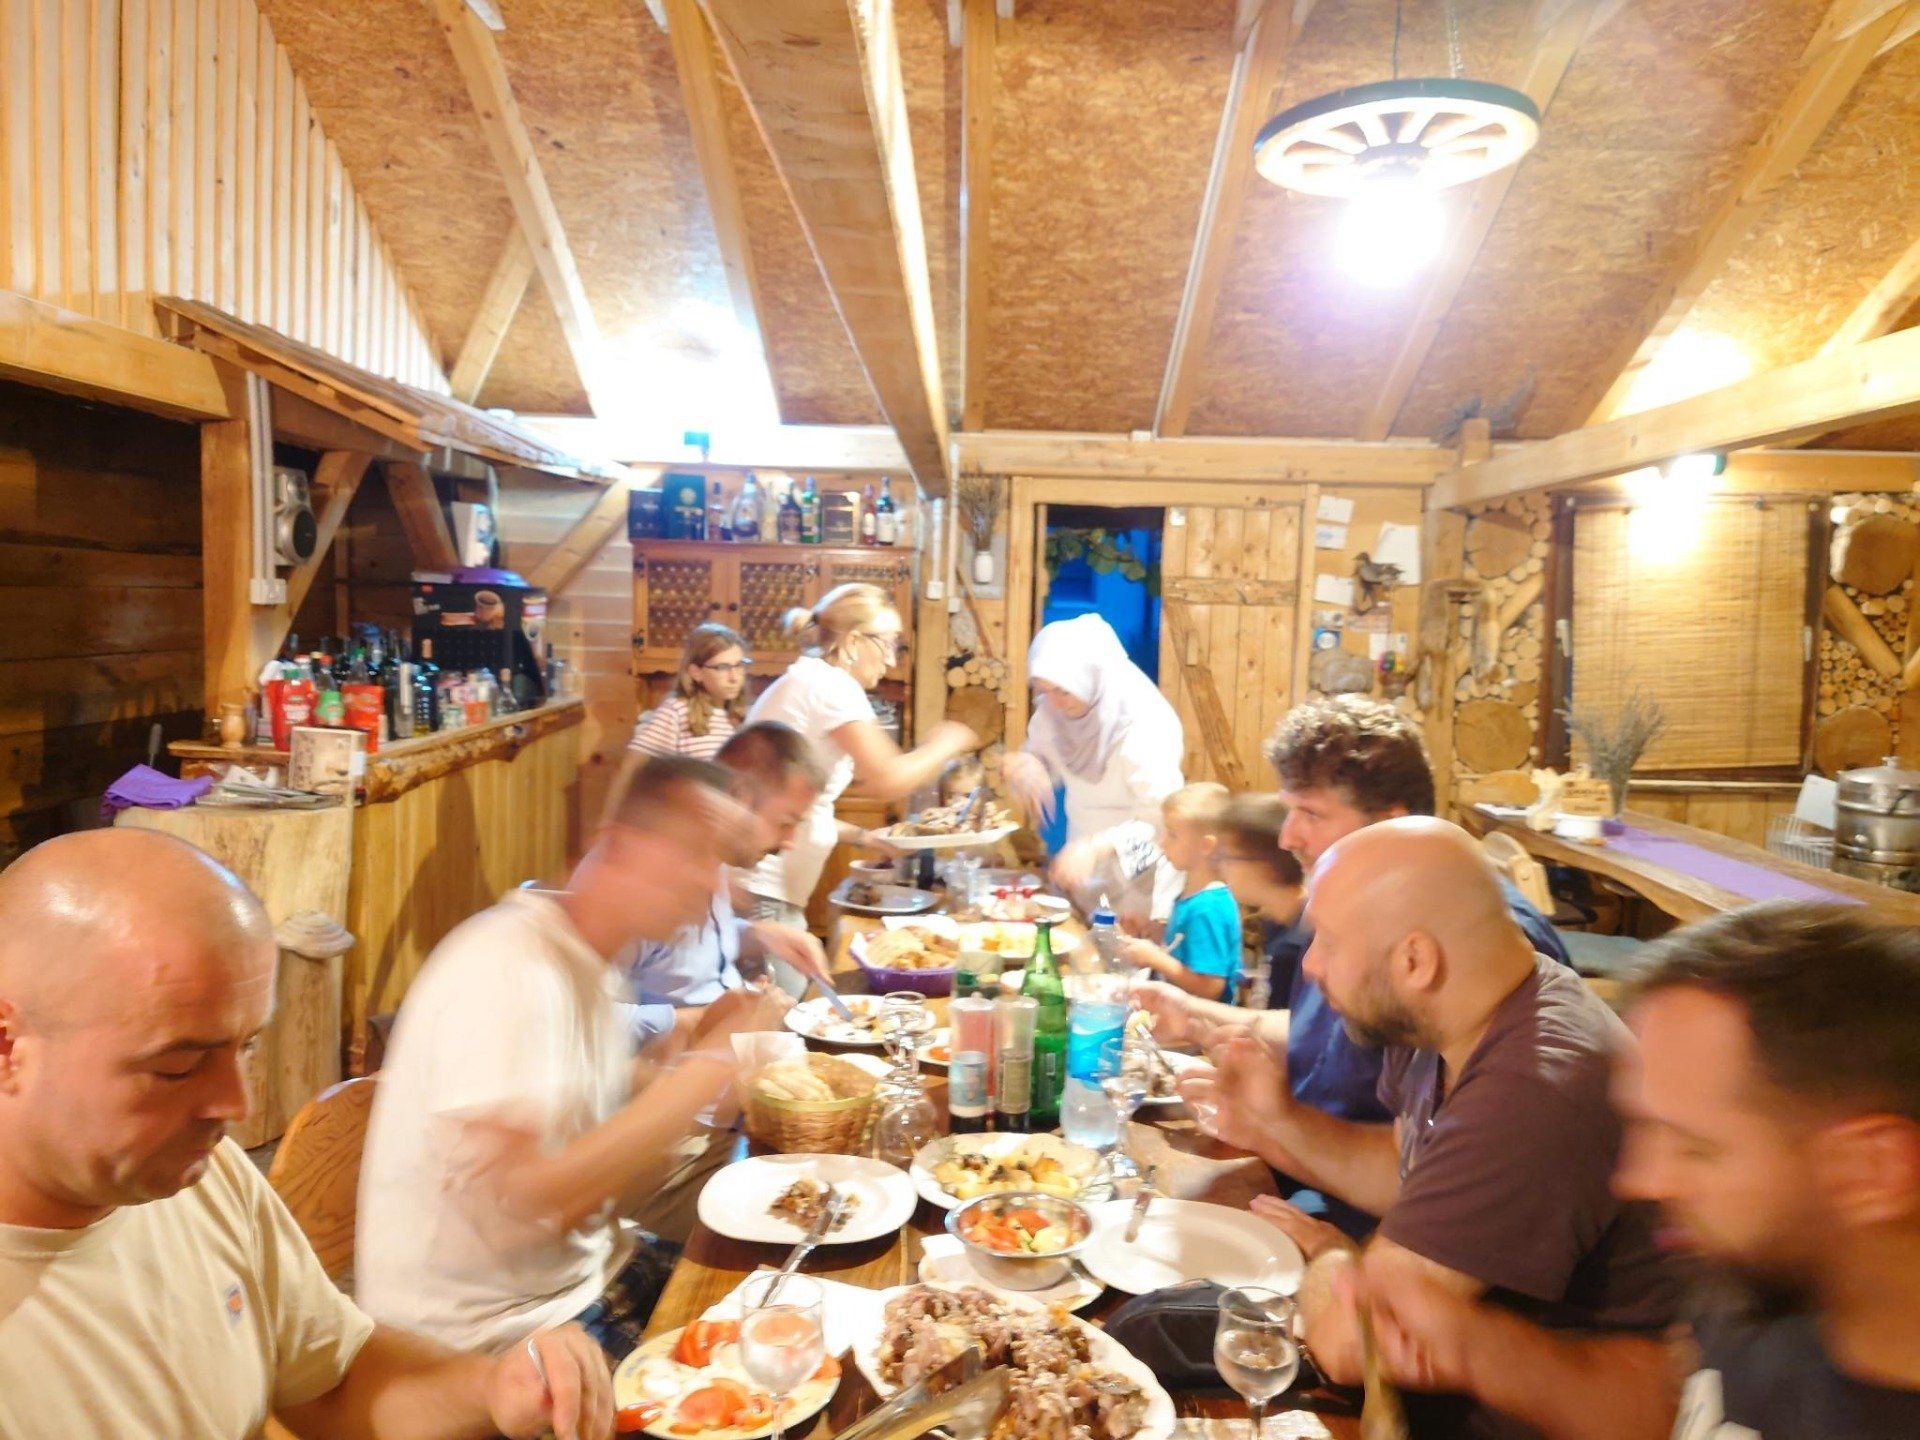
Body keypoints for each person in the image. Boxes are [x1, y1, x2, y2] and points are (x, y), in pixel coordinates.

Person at [0, 829, 614, 1440]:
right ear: (9, 1047)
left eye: (247, 1045)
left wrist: (492, 1390)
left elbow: (333, 1382)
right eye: (178, 1067)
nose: (235, 1104)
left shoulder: (201, 1179)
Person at [1353, 902, 1920, 1440]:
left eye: (1696, 1148)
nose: (1639, 1180)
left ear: (1871, 1167)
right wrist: (1479, 1350)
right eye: (1647, 1127)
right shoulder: (1760, 1280)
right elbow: (1669, 1410)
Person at [1190, 818, 1676, 1440]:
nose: (1310, 966)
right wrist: (1274, 1123)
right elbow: (1402, 1170)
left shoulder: (1534, 1085)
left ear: (1415, 960)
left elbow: (1348, 1344)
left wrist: (1336, 1254)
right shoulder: (1445, 1013)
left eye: (1330, 943)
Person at [356, 756, 791, 1361]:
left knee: (788, 1308)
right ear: (615, 845)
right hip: (493, 1345)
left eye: (718, 862)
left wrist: (688, 1064)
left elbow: (603, 1161)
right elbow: (540, 1200)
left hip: (592, 1278)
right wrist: (707, 1068)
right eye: (694, 852)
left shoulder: (592, 969)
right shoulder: (503, 964)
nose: (712, 883)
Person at [1137, 696, 1570, 1240]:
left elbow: (1439, 1179)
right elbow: (1324, 1038)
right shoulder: (1358, 897)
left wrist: (1276, 1126)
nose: (1287, 836)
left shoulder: (1477, 944)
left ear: (1393, 823)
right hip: (1304, 1182)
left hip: (1369, 1233)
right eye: (1288, 808)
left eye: (1312, 814)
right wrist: (1199, 1017)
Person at [742, 583, 978, 926]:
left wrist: (865, 838)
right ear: (853, 641)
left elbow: (806, 810)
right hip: (762, 891)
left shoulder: (814, 679)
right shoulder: (832, 686)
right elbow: (887, 779)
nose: (892, 659)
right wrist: (947, 742)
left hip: (764, 890)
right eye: (888, 643)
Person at [622, 722, 833, 1040]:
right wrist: (702, 1020)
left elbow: (679, 952)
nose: (790, 842)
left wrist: (758, 934)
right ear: (739, 798)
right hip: (674, 1071)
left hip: (729, 1054)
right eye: (785, 822)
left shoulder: (713, 857)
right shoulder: (644, 875)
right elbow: (577, 1020)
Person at [1001, 614, 1185, 925]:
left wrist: (1094, 847)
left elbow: (1162, 816)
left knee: (1128, 959)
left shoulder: (1145, 723)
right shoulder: (1053, 709)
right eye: (1044, 691)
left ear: (1090, 679)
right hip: (1083, 863)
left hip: (1140, 869)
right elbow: (1046, 757)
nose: (1054, 703)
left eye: (1063, 691)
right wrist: (1027, 764)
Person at [1120, 783, 1242, 1002]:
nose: (1162, 842)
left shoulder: (1208, 907)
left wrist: (1155, 959)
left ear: (1206, 846)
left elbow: (1211, 986)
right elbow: (1184, 943)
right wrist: (1152, 931)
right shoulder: (1194, 893)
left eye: (1173, 835)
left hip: (1201, 1027)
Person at [627, 622, 752, 761]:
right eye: (722, 667)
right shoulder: (677, 711)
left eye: (740, 665)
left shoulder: (746, 717)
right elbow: (633, 765)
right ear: (696, 672)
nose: (734, 678)